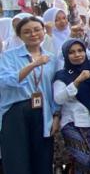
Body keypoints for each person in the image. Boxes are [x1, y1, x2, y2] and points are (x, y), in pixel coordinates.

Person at [0, 16, 60, 174]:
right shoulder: (8, 56)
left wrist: (56, 115)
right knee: (17, 159)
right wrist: (33, 64)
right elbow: (6, 81)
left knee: (42, 158)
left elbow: (54, 89)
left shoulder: (51, 59)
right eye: (26, 32)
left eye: (37, 30)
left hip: (43, 112)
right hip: (16, 112)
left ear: (43, 31)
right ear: (19, 36)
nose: (33, 34)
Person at [53, 38, 90, 174]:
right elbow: (58, 99)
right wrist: (77, 81)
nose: (77, 55)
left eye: (80, 50)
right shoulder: (62, 75)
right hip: (74, 124)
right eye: (72, 52)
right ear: (65, 55)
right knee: (85, 162)